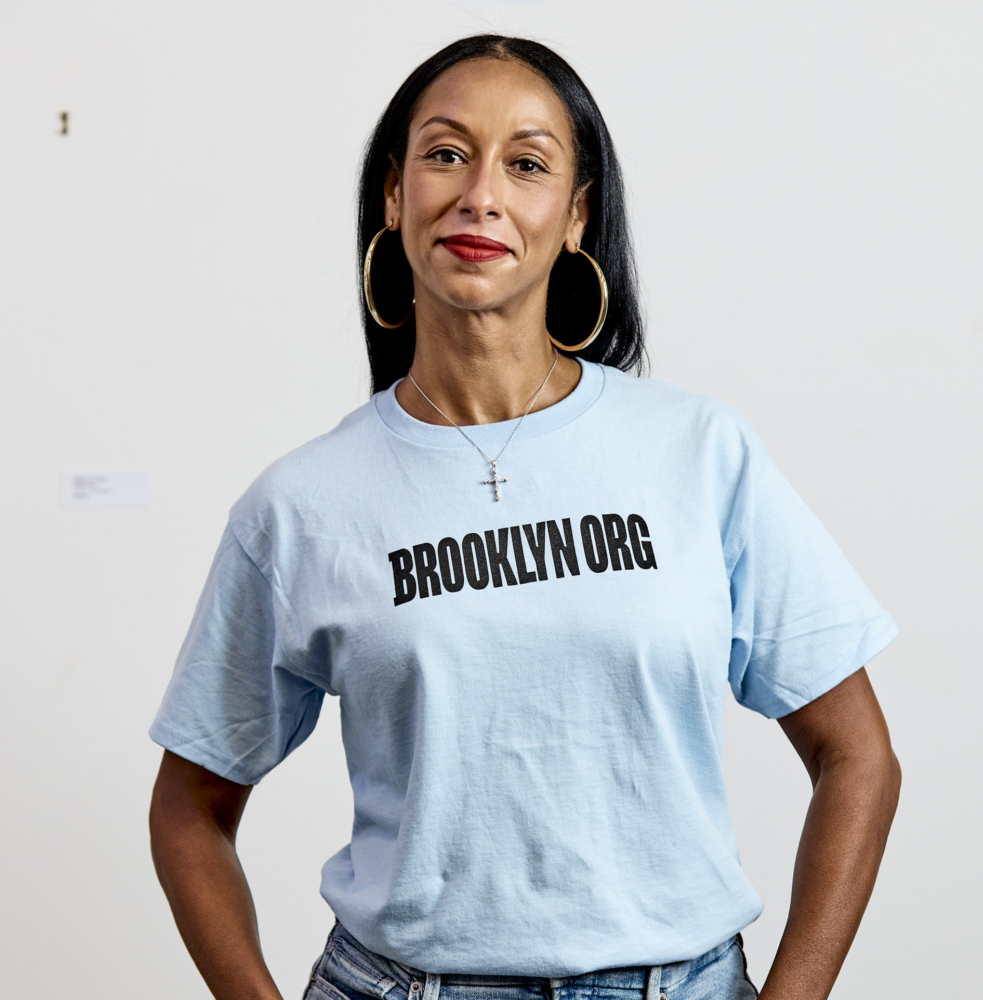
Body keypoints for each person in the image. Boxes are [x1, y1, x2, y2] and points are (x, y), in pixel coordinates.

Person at [148, 34, 901, 1000]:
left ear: (577, 215)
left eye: (528, 163)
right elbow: (189, 808)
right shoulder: (302, 504)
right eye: (446, 154)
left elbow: (859, 757)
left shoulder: (697, 450)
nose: (481, 196)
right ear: (394, 194)